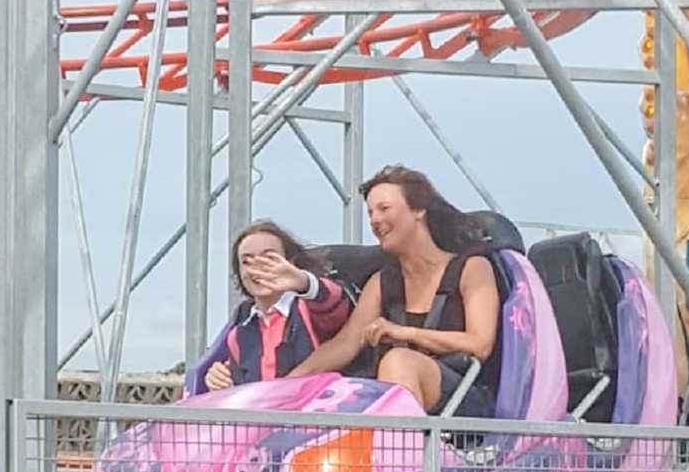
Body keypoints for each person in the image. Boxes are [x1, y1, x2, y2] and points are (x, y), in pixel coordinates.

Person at [287, 165, 502, 416]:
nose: (375, 220)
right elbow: (345, 344)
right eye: (370, 213)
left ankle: (402, 452)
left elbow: (480, 344)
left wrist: (405, 333)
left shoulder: (472, 268)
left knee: (398, 360)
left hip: (464, 399)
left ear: (418, 210)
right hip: (402, 395)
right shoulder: (382, 282)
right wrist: (289, 384)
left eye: (384, 209)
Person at [186, 221, 351, 394]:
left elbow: (333, 300)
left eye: (269, 258)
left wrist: (303, 282)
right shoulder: (240, 328)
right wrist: (220, 382)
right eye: (247, 261)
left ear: (290, 262)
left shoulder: (309, 307)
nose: (258, 268)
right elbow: (246, 396)